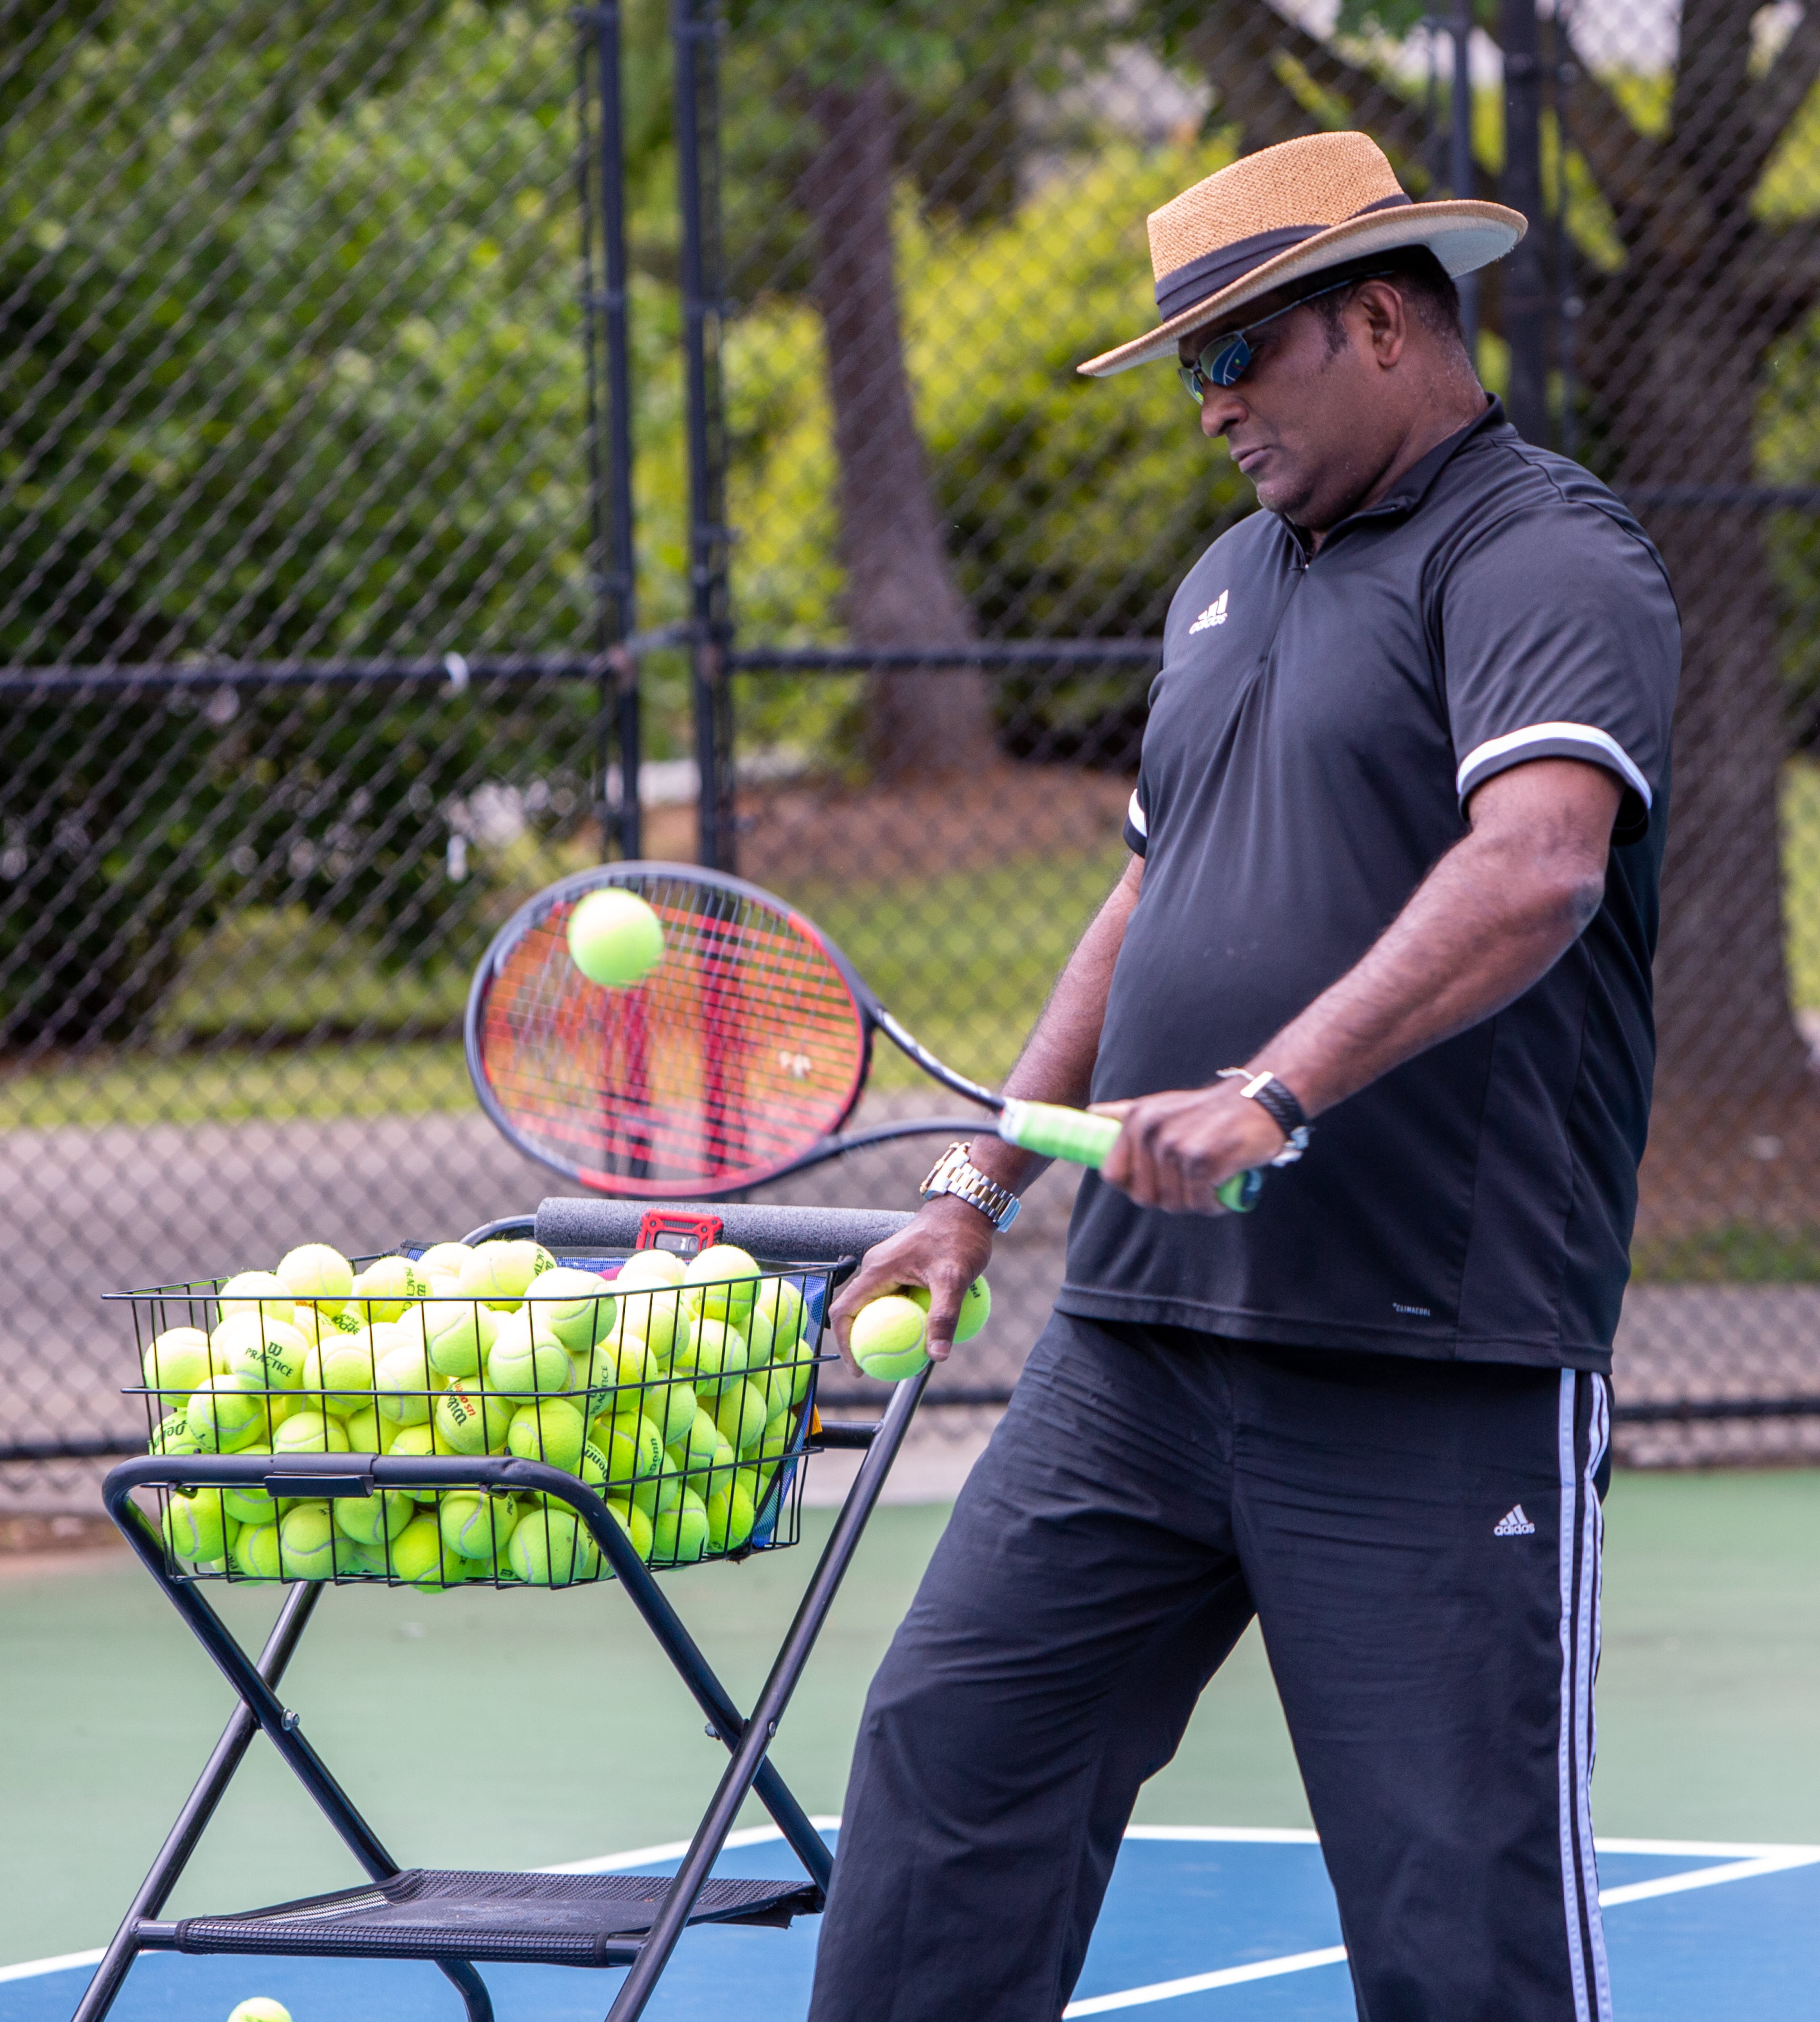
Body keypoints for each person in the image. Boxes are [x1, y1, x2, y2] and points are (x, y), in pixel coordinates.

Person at [806, 130, 1680, 2022]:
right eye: (1183, 368)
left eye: (1231, 357)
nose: (1203, 407)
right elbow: (1144, 899)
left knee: (1462, 1920)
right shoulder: (1225, 584)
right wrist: (974, 1194)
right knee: (951, 1762)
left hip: (1425, 1354)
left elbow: (1539, 861)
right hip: (1138, 1350)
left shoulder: (1542, 548)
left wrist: (1277, 1086)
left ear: (1378, 317)